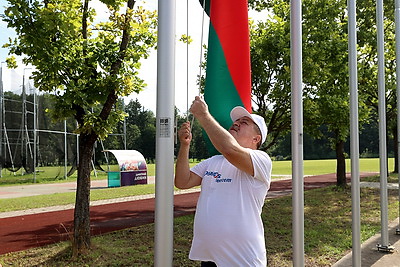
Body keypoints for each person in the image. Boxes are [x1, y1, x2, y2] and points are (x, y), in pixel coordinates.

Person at [175, 96, 272, 267]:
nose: (236, 123)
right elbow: (183, 181)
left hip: (242, 259)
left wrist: (204, 115)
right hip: (210, 258)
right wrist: (185, 146)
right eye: (236, 121)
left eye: (244, 123)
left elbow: (230, 150)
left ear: (256, 139)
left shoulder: (261, 160)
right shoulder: (214, 161)